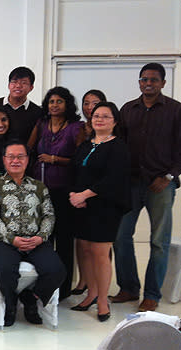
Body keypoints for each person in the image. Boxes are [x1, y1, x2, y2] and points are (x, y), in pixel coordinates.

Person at [111, 62, 181, 312]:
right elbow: (118, 144)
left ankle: (152, 294)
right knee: (120, 237)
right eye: (144, 79)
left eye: (153, 79)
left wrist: (170, 177)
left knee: (158, 242)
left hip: (161, 184)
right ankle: (129, 288)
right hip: (130, 183)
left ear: (163, 83)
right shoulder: (128, 110)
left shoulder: (175, 110)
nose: (148, 83)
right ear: (139, 83)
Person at [0, 141, 65, 327]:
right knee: (5, 271)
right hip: (6, 241)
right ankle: (11, 304)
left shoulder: (39, 186)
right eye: (11, 156)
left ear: (27, 160)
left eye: (20, 156)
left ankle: (31, 299)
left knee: (57, 270)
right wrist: (12, 239)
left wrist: (40, 237)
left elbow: (49, 215)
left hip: (36, 240)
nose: (15, 160)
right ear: (4, 160)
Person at [69, 102, 130, 322]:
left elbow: (113, 179)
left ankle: (103, 301)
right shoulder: (86, 145)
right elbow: (75, 172)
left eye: (105, 116)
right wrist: (75, 196)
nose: (99, 119)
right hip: (82, 206)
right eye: (96, 116)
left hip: (106, 206)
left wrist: (85, 195)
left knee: (100, 253)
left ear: (114, 121)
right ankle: (91, 294)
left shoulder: (118, 146)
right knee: (84, 249)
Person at [27, 86, 85, 299]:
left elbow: (81, 159)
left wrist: (55, 160)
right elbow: (28, 150)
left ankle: (64, 289)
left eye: (59, 101)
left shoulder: (77, 127)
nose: (54, 105)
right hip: (41, 190)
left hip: (65, 190)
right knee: (44, 238)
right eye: (51, 101)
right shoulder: (41, 124)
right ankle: (45, 283)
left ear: (67, 104)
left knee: (64, 239)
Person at [72, 89, 107, 295]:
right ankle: (84, 280)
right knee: (81, 240)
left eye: (95, 103)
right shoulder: (79, 127)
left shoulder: (108, 131)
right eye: (86, 103)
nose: (90, 106)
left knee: (100, 245)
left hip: (100, 194)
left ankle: (98, 287)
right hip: (79, 191)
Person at [0, 67, 42, 144]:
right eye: (14, 81)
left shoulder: (37, 112)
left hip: (21, 155)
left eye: (24, 82)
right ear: (9, 85)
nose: (18, 85)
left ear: (31, 87)